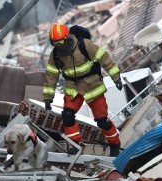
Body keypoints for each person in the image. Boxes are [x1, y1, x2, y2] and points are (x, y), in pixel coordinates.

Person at [42, 23, 123, 157]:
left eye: (61, 42)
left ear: (67, 37)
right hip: (73, 89)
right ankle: (75, 144)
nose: (59, 46)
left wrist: (116, 77)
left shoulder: (84, 45)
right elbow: (51, 75)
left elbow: (104, 58)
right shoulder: (55, 55)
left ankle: (114, 143)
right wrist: (48, 97)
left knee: (102, 121)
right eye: (55, 43)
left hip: (93, 87)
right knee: (67, 116)